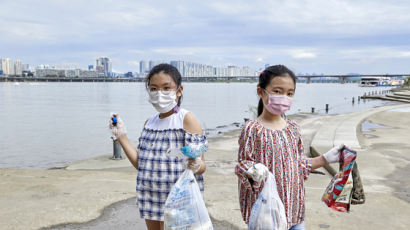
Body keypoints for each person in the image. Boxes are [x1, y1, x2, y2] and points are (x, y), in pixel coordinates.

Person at [235, 65, 344, 230]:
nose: (284, 97)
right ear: (260, 92)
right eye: (277, 91)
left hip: (295, 210)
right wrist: (253, 170)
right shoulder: (252, 129)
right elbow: (243, 164)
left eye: (289, 93)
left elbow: (299, 165)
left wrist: (325, 159)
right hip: (266, 214)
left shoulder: (293, 128)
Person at [109, 64, 207, 230]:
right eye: (154, 88)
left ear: (179, 90)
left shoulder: (186, 119)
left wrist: (196, 164)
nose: (159, 93)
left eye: (166, 88)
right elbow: (141, 165)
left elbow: (202, 165)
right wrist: (121, 136)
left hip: (179, 198)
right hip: (151, 195)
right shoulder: (149, 122)